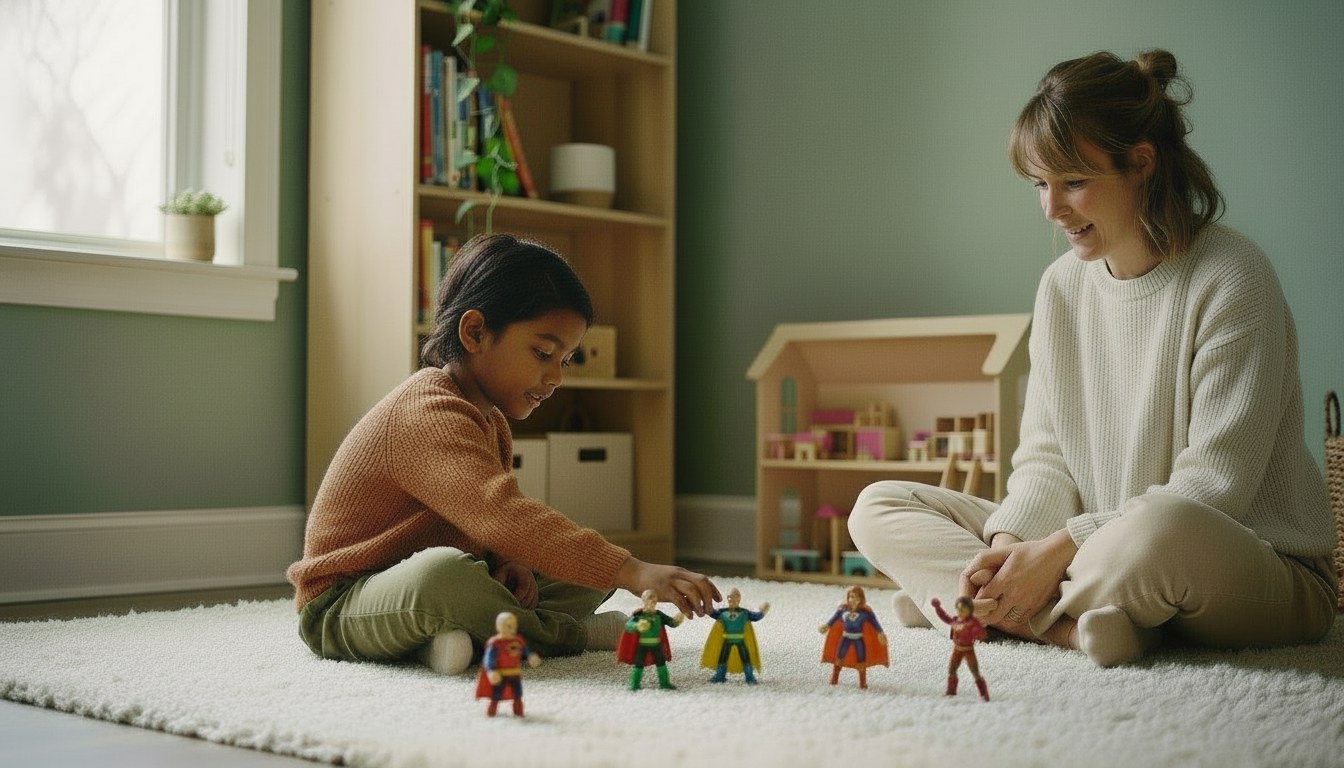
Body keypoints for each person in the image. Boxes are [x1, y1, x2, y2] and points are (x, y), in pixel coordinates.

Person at [848, 49, 1337, 666]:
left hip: (1248, 560)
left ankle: (977, 607)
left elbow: (1213, 488)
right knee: (878, 507)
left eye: (1073, 182)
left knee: (1163, 530)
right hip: (1096, 551)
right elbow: (1046, 456)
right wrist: (1007, 548)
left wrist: (1055, 551)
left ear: (1140, 164)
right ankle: (1065, 624)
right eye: (1040, 185)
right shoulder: (1062, 287)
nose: (1051, 210)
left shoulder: (1233, 277)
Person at [287, 233, 719, 676]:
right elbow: (498, 512)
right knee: (444, 577)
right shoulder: (425, 412)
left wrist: (508, 562)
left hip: (440, 582)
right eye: (543, 352)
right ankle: (573, 635)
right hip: (343, 605)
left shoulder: (489, 419)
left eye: (565, 361)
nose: (555, 377)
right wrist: (635, 572)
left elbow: (480, 523)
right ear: (475, 332)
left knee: (583, 569)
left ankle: (448, 642)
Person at [819, 585, 888, 688]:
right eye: (851, 596)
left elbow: (875, 624)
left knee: (861, 659)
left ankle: (863, 682)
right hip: (845, 638)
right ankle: (834, 677)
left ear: (861, 599)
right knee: (839, 656)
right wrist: (827, 626)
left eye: (856, 597)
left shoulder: (866, 613)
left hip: (858, 639)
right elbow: (833, 619)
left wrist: (880, 633)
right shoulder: (842, 610)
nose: (853, 600)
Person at [476, 611, 540, 717]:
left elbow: (525, 650)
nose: (512, 629)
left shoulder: (518, 640)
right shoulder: (495, 643)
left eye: (514, 626)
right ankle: (492, 710)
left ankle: (518, 711)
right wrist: (491, 670)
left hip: (514, 674)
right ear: (499, 627)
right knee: (496, 694)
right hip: (500, 674)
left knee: (517, 694)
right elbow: (489, 658)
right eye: (508, 626)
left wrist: (531, 656)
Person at [617, 588, 683, 690]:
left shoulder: (659, 615)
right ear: (644, 600)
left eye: (654, 600)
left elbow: (671, 623)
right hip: (642, 645)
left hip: (656, 645)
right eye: (649, 599)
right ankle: (634, 684)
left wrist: (678, 619)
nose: (651, 602)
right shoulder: (639, 615)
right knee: (638, 664)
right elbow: (628, 626)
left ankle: (664, 683)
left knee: (661, 663)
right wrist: (637, 625)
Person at [700, 587, 769, 684]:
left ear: (739, 599)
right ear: (728, 598)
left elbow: (756, 617)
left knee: (745, 658)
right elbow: (712, 613)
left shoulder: (745, 613)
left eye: (736, 597)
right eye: (730, 597)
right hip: (727, 639)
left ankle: (749, 677)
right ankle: (720, 675)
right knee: (722, 658)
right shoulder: (723, 612)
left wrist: (763, 611)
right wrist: (704, 607)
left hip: (740, 640)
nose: (733, 599)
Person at [931, 597, 989, 701]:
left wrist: (977, 632)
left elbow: (982, 634)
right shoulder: (956, 620)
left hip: (968, 650)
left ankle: (984, 694)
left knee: (975, 672)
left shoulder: (973, 622)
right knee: (951, 669)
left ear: (969, 609)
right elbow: (945, 617)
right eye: (958, 609)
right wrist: (937, 607)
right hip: (957, 650)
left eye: (963, 609)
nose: (959, 611)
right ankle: (951, 691)